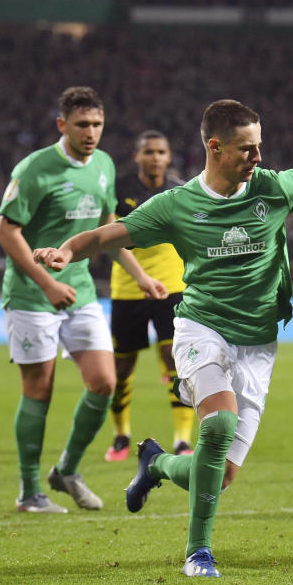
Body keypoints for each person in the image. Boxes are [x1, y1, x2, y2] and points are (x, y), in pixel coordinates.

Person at [33, 99, 293, 578]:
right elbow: (110, 235)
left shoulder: (276, 186)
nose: (258, 157)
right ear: (215, 147)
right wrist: (66, 250)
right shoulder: (177, 204)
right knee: (219, 425)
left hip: (259, 343)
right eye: (248, 149)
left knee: (220, 475)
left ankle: (158, 464)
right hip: (201, 328)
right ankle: (198, 553)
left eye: (260, 147)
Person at [0, 86, 167, 514]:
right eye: (82, 125)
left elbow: (107, 231)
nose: (91, 132)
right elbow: (6, 231)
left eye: (97, 125)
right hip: (32, 295)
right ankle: (30, 492)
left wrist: (142, 276)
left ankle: (66, 470)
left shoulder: (105, 165)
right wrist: (47, 284)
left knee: (105, 383)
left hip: (82, 293)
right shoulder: (36, 169)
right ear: (62, 126)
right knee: (40, 387)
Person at [104, 130, 194, 462]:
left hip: (171, 286)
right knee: (122, 367)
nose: (155, 157)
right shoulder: (119, 190)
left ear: (168, 157)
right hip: (128, 287)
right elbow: (109, 238)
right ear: (137, 156)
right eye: (149, 152)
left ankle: (183, 439)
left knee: (175, 362)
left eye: (161, 151)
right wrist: (140, 276)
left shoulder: (180, 190)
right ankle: (121, 435)